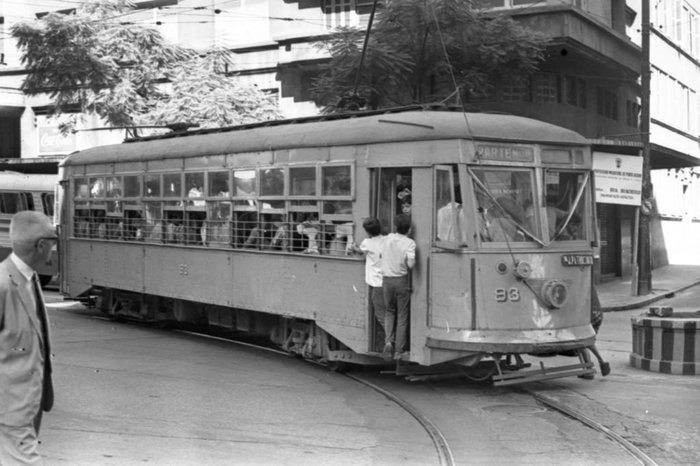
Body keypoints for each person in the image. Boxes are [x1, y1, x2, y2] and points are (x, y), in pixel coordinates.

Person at [0, 211, 57, 464]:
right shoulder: (2, 284)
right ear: (41, 245)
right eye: (53, 241)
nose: (54, 249)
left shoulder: (29, 278)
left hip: (29, 405)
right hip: (9, 410)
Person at [381, 214, 416, 360]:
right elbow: (411, 264)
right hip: (401, 281)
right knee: (402, 315)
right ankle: (399, 351)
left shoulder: (387, 238)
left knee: (389, 311)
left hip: (387, 281)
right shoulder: (410, 243)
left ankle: (388, 342)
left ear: (395, 226)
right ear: (409, 229)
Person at [350, 218, 388, 351]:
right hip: (389, 281)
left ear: (367, 232)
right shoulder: (387, 240)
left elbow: (359, 251)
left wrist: (353, 247)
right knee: (390, 311)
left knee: (380, 313)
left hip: (377, 283)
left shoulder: (367, 243)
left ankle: (390, 340)